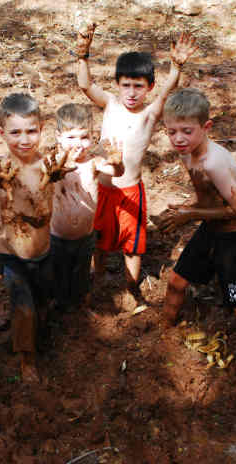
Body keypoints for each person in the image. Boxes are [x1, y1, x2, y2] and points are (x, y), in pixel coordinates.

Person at [75, 22, 198, 311]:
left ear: (149, 87)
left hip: (131, 190)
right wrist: (82, 56)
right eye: (126, 85)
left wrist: (176, 66)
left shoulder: (150, 113)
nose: (131, 92)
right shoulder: (109, 104)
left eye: (138, 86)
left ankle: (132, 288)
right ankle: (99, 278)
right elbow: (85, 84)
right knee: (100, 242)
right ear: (117, 84)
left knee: (132, 245)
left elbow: (169, 90)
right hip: (103, 188)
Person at [158, 88, 236, 360]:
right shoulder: (186, 152)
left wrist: (190, 214)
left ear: (206, 127)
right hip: (210, 231)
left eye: (187, 131)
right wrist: (189, 207)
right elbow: (207, 194)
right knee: (176, 281)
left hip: (235, 239)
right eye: (171, 132)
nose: (178, 139)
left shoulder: (214, 162)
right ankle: (162, 332)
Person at [0, 93, 73, 383]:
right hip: (15, 257)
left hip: (44, 250)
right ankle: (26, 359)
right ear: (1, 133)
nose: (24, 139)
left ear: (42, 128)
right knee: (23, 309)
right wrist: (3, 187)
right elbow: (5, 195)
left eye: (31, 131)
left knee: (42, 300)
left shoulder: (48, 165)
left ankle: (40, 333)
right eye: (15, 132)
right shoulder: (3, 172)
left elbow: (54, 186)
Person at [50, 103, 124, 311]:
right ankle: (60, 306)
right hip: (57, 236)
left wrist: (118, 162)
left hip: (85, 236)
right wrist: (59, 170)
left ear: (93, 137)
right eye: (71, 137)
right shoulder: (53, 163)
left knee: (81, 273)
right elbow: (43, 183)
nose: (79, 144)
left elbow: (117, 173)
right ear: (58, 137)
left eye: (84, 137)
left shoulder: (94, 162)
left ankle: (80, 306)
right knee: (59, 273)